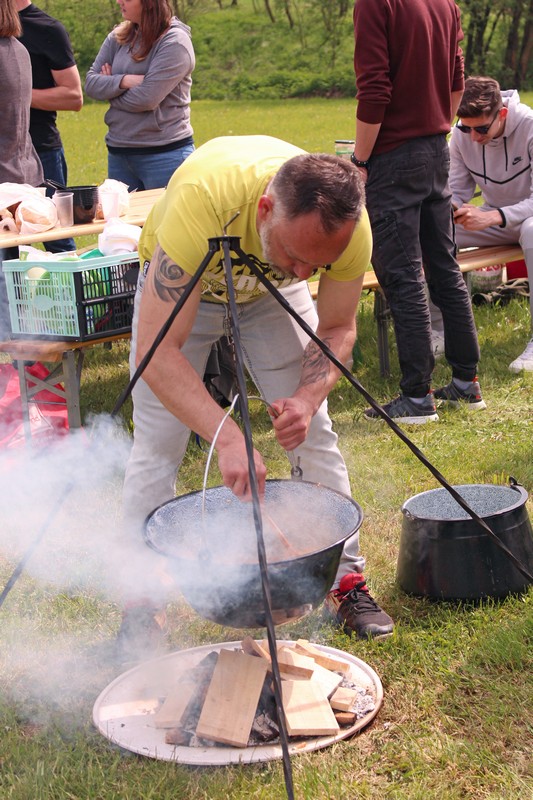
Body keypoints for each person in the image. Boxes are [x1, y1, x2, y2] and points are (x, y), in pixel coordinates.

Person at [118, 134, 394, 656]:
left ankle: (345, 582)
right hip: (188, 289)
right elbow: (158, 353)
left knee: (315, 435)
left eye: (320, 266)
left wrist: (308, 398)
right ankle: (140, 603)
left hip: (269, 296)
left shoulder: (347, 230)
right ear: (265, 209)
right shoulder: (204, 201)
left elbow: (337, 328)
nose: (307, 273)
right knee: (157, 446)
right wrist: (225, 437)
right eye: (297, 254)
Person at [352, 0, 486, 423]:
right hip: (434, 148)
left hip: (393, 155)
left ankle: (416, 397)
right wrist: (435, 127)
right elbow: (457, 78)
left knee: (404, 275)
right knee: (444, 267)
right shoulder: (444, 2)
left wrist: (359, 161)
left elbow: (374, 90)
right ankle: (466, 382)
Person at [430, 76, 533, 373]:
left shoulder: (528, 125)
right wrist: (449, 208)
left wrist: (493, 216)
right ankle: (439, 332)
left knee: (530, 230)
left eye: (482, 129)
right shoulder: (462, 134)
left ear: (501, 114)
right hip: (495, 220)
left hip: (522, 220)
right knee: (432, 228)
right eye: (466, 127)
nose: (473, 136)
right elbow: (457, 190)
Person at [85, 0, 195, 192]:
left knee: (164, 222)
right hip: (119, 155)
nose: (119, 1)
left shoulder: (175, 42)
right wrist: (125, 81)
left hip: (164, 156)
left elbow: (146, 99)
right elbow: (91, 85)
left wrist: (110, 90)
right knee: (121, 223)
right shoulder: (118, 37)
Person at [16, 1, 83, 254]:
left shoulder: (47, 28)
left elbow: (73, 96)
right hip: (2, 155)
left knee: (57, 238)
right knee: (6, 242)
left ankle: (72, 294)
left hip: (41, 152)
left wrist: (18, 93)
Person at [0, 0, 43, 338]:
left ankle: (19, 364)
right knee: (11, 277)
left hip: (6, 180)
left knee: (6, 283)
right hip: (21, 173)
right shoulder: (18, 48)